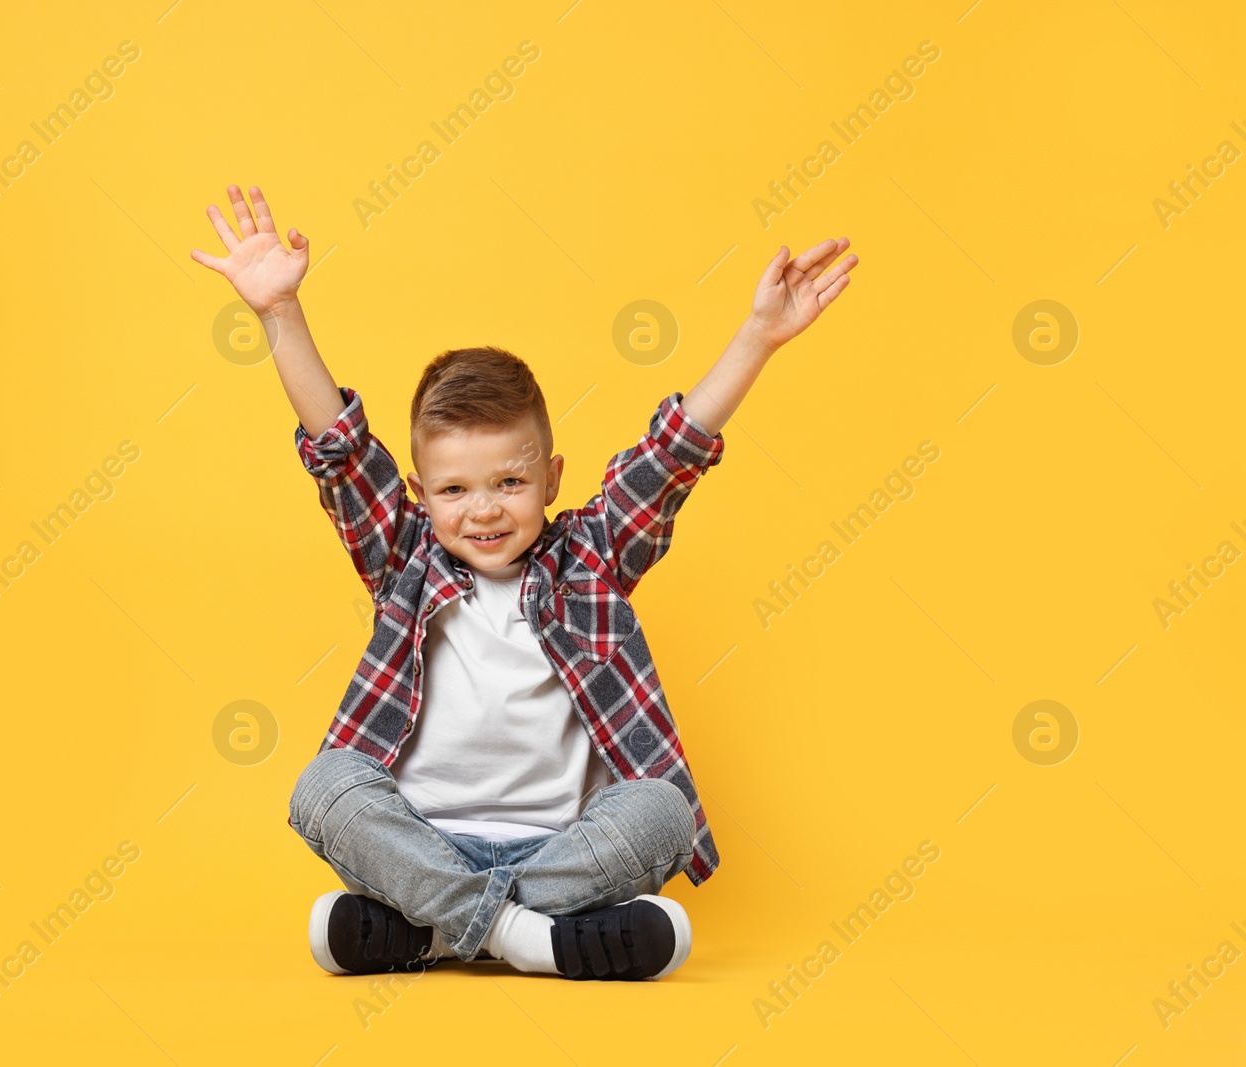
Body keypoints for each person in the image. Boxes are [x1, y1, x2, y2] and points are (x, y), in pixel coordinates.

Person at [191, 184, 858, 981]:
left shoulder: (593, 557)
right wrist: (279, 313)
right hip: (421, 844)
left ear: (551, 478)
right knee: (326, 784)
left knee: (663, 809)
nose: (483, 510)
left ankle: (436, 932)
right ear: (419, 491)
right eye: (454, 490)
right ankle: (532, 937)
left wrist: (758, 335)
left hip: (561, 849)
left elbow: (673, 453)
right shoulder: (404, 558)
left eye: (509, 482)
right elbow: (337, 445)